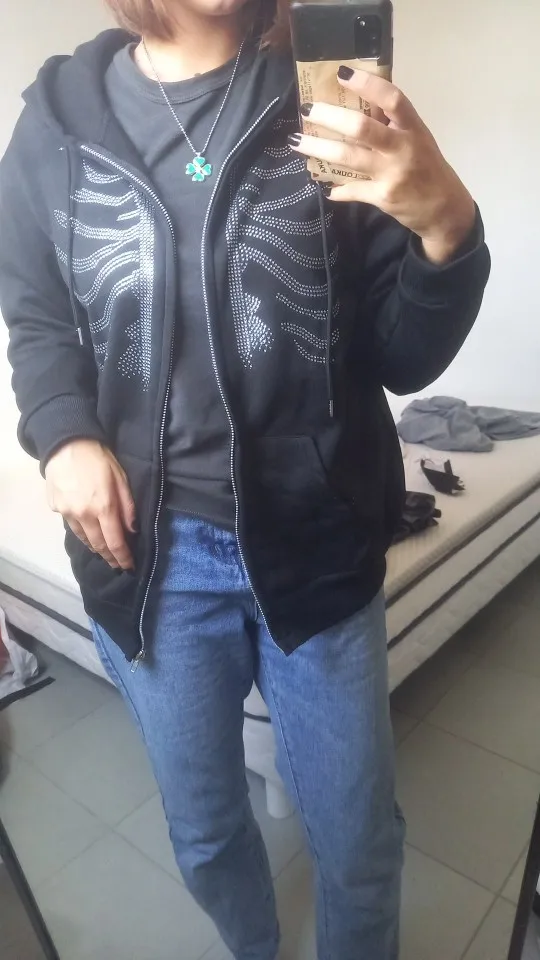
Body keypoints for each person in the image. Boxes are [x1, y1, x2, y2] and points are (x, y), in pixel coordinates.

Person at [0, 1, 490, 957]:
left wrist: (449, 232)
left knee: (359, 844)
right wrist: (63, 436)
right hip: (146, 556)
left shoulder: (327, 101)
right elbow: (36, 314)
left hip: (317, 540)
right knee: (206, 833)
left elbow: (403, 357)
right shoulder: (55, 122)